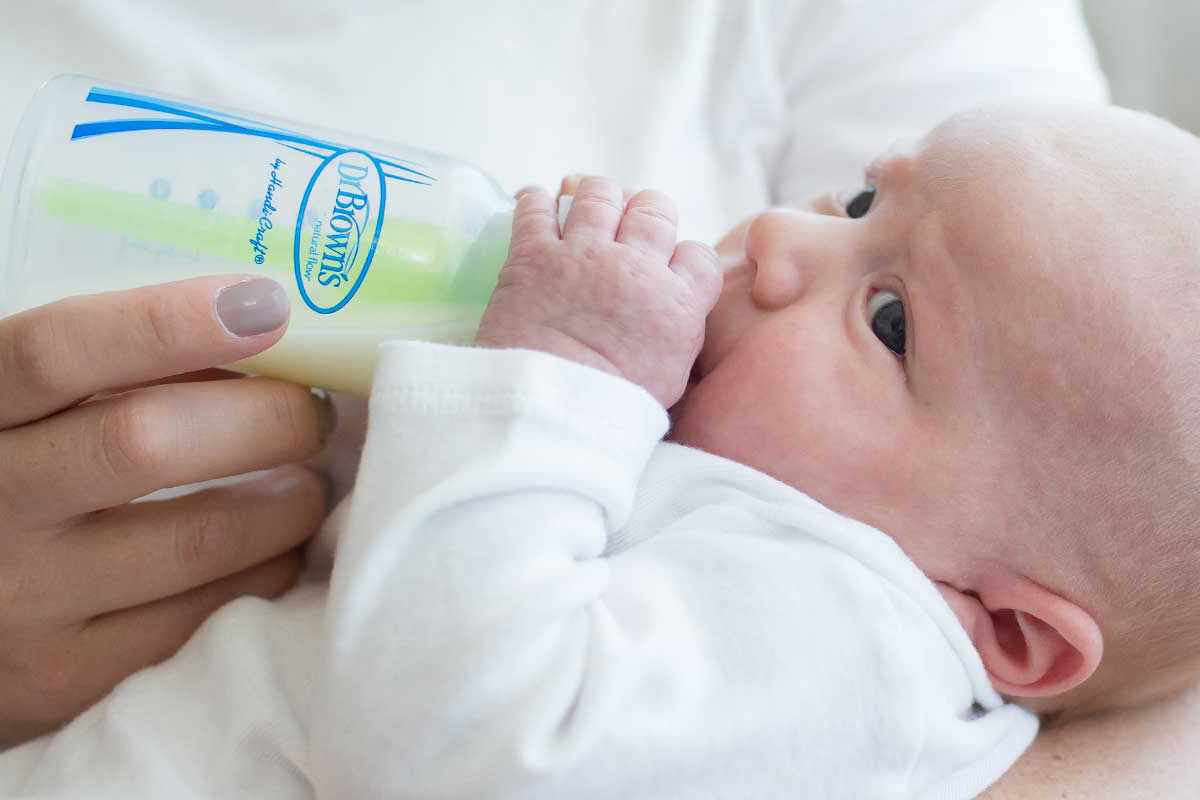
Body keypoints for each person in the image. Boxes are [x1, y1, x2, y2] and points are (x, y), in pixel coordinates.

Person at [3, 99, 1200, 798]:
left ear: (1006, 629)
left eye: (891, 318)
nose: (780, 239)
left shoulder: (858, 641)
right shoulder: (726, 491)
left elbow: (471, 743)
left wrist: (558, 373)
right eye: (852, 204)